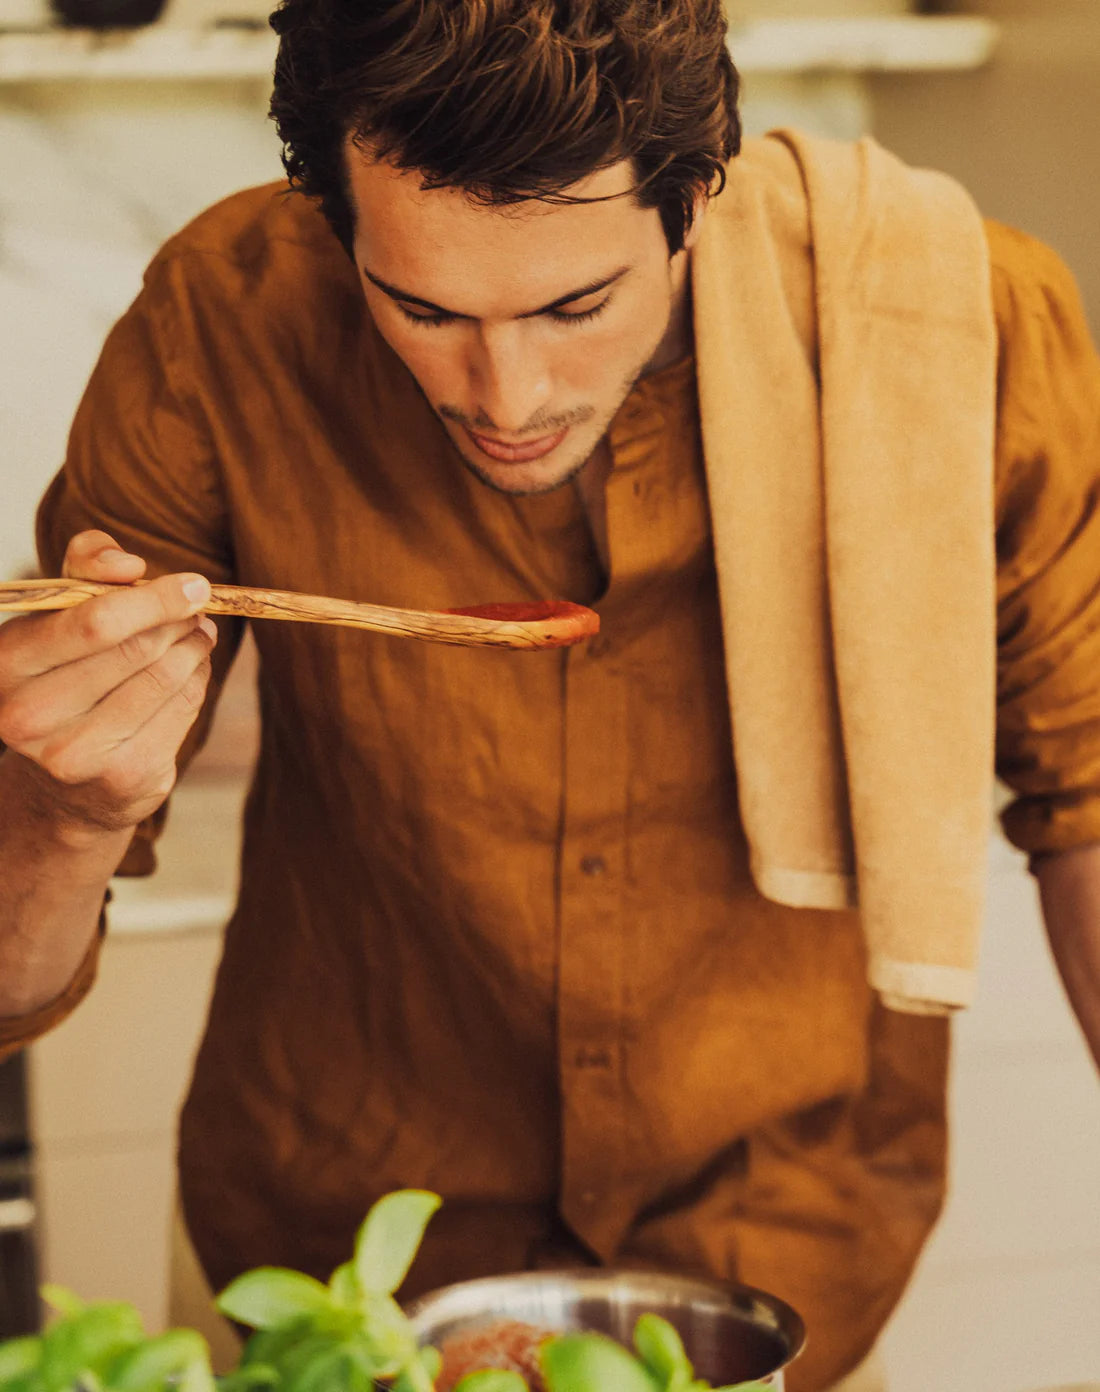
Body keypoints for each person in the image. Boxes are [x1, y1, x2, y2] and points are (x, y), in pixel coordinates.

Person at [1, 2, 1098, 1389]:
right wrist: (58, 801)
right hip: (334, 1284)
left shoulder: (961, 327)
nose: (506, 393)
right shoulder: (222, 319)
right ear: (335, 221)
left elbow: (1089, 801)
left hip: (777, 1276)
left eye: (576, 306)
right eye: (424, 309)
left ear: (697, 200)